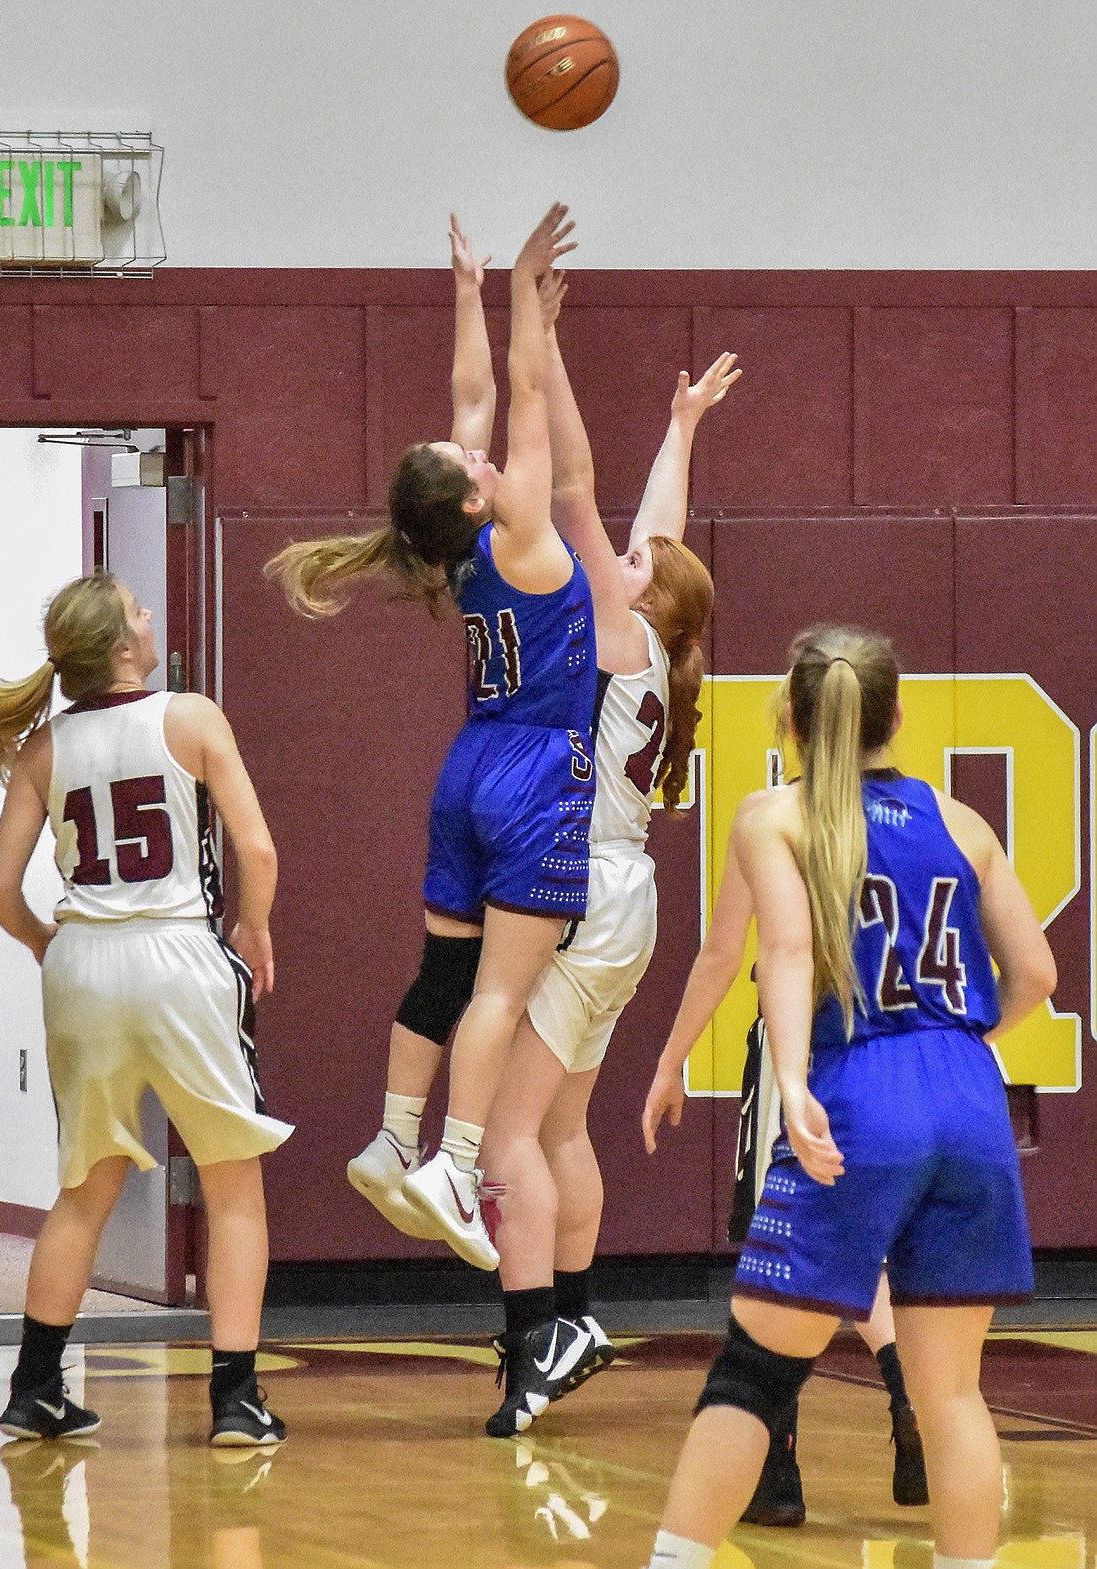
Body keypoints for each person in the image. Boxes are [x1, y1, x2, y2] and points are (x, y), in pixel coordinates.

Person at [642, 623, 1056, 1569]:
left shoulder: (774, 815)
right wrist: (963, 1043)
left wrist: (790, 1080)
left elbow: (784, 950)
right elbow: (1036, 970)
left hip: (860, 1090)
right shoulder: (962, 821)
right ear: (896, 715)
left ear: (788, 716)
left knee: (754, 1372)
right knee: (951, 1393)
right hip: (968, 1093)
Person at [269, 206, 595, 1272]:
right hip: (537, 765)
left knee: (445, 974)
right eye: (466, 457)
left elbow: (475, 398)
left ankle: (392, 1134)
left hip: (468, 767)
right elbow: (521, 397)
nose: (478, 447)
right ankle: (454, 1164)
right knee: (504, 991)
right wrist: (519, 302)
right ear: (471, 492)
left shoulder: (457, 552)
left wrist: (468, 289)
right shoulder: (531, 539)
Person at [479, 283, 738, 1438]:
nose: (621, 556)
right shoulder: (662, 642)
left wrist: (544, 343)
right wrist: (681, 432)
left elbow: (577, 489)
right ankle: (575, 1314)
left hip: (578, 894)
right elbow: (655, 536)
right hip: (624, 897)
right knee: (565, 1127)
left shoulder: (619, 632)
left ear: (649, 604)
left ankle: (532, 1339)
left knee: (505, 1137)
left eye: (636, 562)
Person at [0, 571, 292, 1446]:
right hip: (179, 953)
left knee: (82, 1189)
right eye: (139, 610)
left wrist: (47, 943)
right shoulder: (190, 715)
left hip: (83, 964)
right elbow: (256, 848)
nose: (151, 614)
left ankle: (35, 1384)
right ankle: (236, 1399)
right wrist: (254, 927)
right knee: (232, 1184)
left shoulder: (43, 748)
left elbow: (1, 888)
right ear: (121, 644)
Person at [644, 906, 928, 1518]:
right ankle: (908, 1390)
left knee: (776, 1239)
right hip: (901, 1041)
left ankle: (775, 1477)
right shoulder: (923, 814)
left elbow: (722, 953)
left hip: (805, 1040)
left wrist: (672, 1062)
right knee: (862, 1244)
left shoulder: (779, 813)